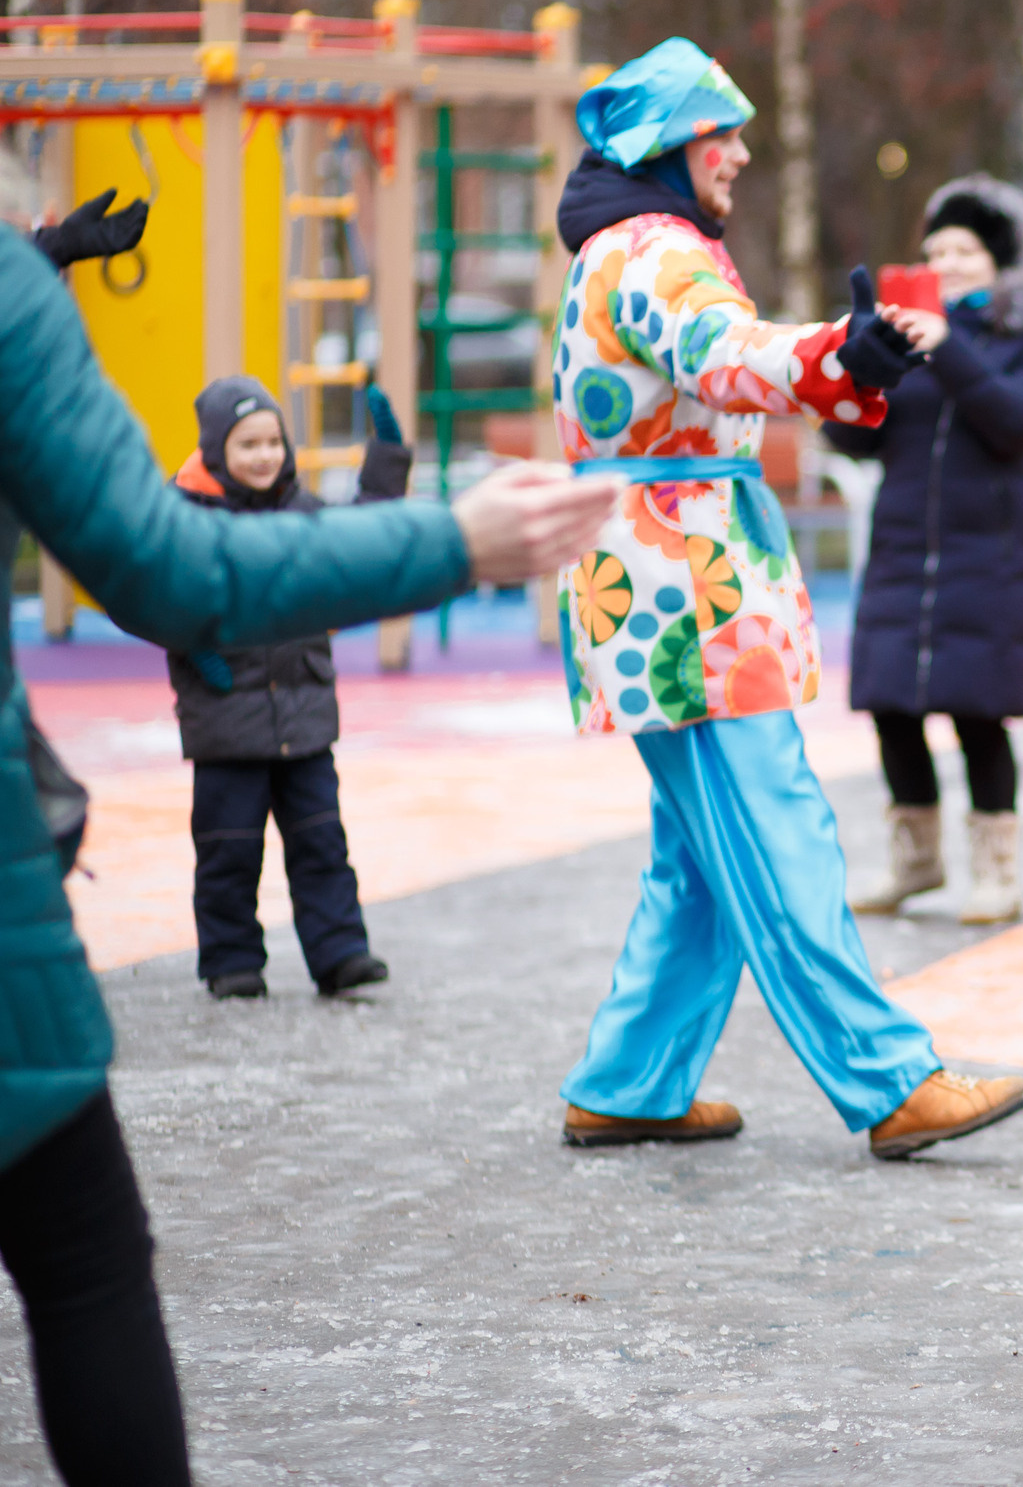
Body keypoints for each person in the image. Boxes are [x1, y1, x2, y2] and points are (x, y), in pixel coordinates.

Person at [1, 189, 617, 1482]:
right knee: (86, 1265)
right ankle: (239, 954)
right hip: (211, 757)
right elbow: (179, 572)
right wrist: (458, 536)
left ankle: (334, 949)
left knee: (320, 855)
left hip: (303, 735)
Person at [552, 38, 1023, 1160]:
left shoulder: (643, 246)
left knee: (703, 856)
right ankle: (888, 1080)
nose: (742, 152)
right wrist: (839, 355)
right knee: (778, 831)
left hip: (670, 582)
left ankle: (628, 1080)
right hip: (683, 593)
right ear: (672, 148)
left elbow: (723, 374)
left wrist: (843, 363)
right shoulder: (653, 253)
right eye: (723, 133)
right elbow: (728, 358)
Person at [827, 175, 1023, 925]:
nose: (950, 262)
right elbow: (850, 437)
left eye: (964, 248)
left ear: (999, 258)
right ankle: (915, 861)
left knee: (977, 715)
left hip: (992, 554)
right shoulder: (910, 335)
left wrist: (949, 347)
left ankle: (996, 874)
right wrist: (861, 365)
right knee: (892, 707)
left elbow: (1019, 422)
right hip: (903, 550)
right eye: (936, 251)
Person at [169, 375, 413, 1000]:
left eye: (274, 441)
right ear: (217, 452)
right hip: (227, 725)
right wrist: (197, 648)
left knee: (322, 842)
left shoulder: (303, 512)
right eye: (247, 444)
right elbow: (154, 594)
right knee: (228, 853)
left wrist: (386, 456)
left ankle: (340, 954)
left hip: (302, 718)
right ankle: (231, 961)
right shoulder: (191, 521)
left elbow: (364, 540)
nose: (265, 455)